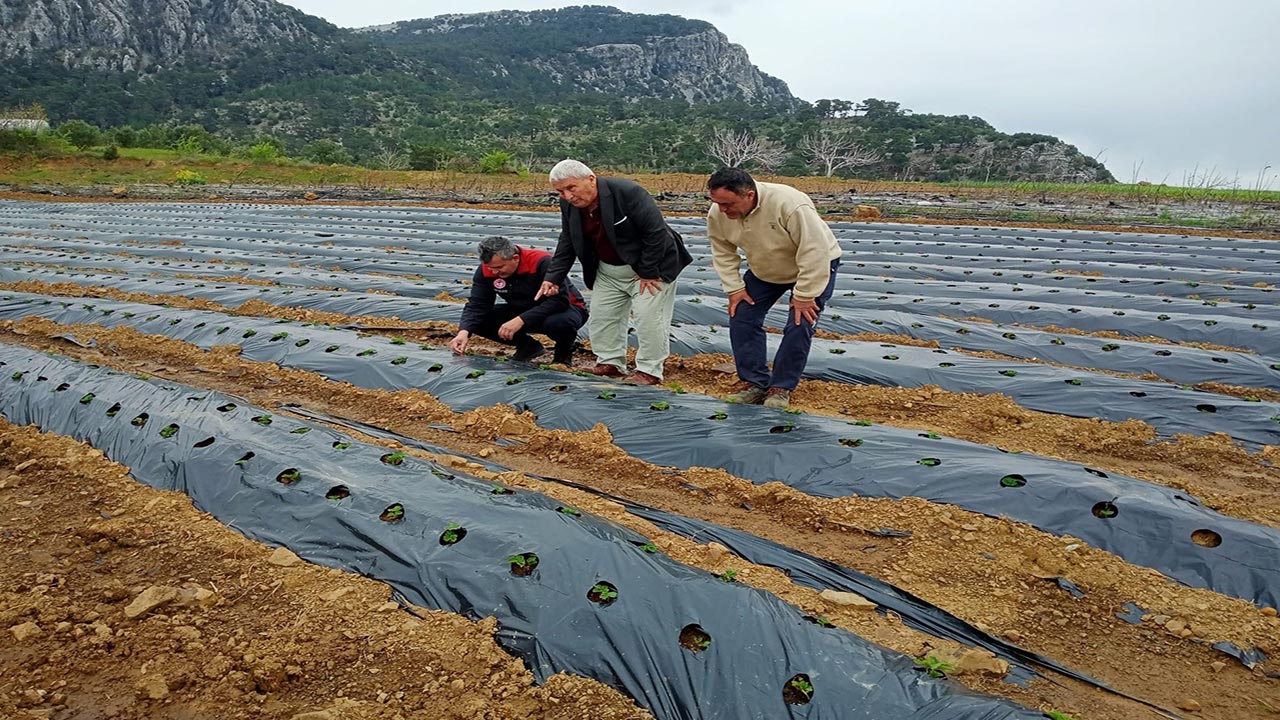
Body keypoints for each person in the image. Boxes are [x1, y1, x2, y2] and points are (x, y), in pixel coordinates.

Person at [538, 159, 692, 385]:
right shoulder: (569, 205)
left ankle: (649, 371)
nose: (568, 196)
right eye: (560, 192)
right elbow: (568, 239)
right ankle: (610, 362)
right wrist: (553, 277)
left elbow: (656, 233)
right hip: (608, 268)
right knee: (603, 315)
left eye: (571, 188)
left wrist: (648, 271)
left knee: (649, 318)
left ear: (591, 179)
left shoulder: (627, 192)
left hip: (650, 268)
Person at [706, 167, 842, 409]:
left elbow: (814, 250)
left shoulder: (789, 204)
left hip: (813, 265)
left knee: (800, 323)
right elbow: (722, 251)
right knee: (742, 316)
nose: (722, 210)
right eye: (717, 203)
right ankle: (755, 383)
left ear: (749, 195)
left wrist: (805, 295)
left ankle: (781, 387)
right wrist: (734, 288)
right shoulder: (718, 213)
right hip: (766, 269)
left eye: (727, 204)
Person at [449, 235, 587, 364]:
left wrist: (520, 320)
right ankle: (528, 347)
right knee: (478, 320)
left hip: (565, 308)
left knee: (559, 323)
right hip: (524, 308)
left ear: (515, 258)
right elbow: (478, 304)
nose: (495, 272)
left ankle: (562, 358)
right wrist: (464, 332)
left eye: (499, 267)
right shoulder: (486, 270)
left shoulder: (541, 262)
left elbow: (560, 301)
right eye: (490, 268)